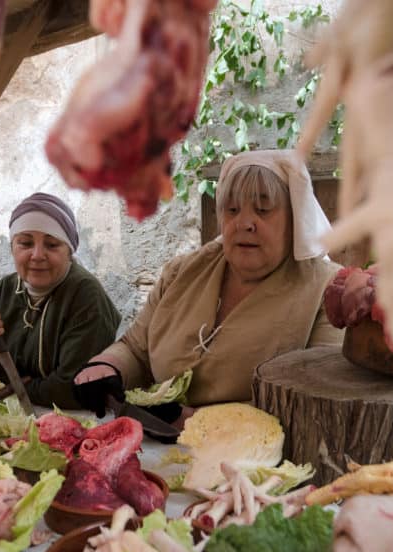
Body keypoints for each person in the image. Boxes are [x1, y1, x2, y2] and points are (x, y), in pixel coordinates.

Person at [73, 149, 343, 424]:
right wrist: (107, 367)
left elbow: (317, 400)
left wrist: (194, 420)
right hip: (158, 449)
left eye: (263, 210)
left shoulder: (328, 291)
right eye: (232, 209)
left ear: (295, 218)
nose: (245, 223)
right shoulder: (182, 273)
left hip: (255, 458)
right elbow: (135, 348)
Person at [0, 192, 121, 409]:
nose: (37, 255)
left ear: (69, 251)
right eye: (26, 243)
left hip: (74, 421)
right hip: (10, 415)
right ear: (12, 248)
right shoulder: (1, 291)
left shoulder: (85, 296)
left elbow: (72, 389)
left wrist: (11, 386)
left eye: (52, 245)